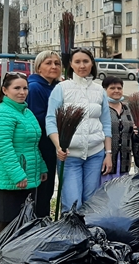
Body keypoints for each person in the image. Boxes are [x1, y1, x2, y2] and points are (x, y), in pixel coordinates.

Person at [46, 48, 112, 211]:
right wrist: (58, 145)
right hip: (69, 156)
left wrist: (108, 154)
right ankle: (70, 234)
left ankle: (87, 235)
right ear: (71, 65)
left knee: (90, 202)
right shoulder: (61, 88)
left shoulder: (99, 91)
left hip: (95, 154)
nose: (82, 65)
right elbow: (50, 120)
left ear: (92, 64)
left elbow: (106, 123)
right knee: (73, 203)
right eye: (77, 62)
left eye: (86, 61)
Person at [0, 72, 47, 239]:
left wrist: (41, 166)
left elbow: (33, 144)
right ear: (5, 90)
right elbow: (4, 148)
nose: (22, 92)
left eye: (25, 88)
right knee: (7, 223)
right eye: (17, 88)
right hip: (12, 179)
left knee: (24, 222)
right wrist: (17, 174)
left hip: (30, 176)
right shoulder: (2, 112)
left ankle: (12, 262)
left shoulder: (26, 112)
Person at [26, 50, 62, 217]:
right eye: (48, 63)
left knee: (47, 192)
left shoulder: (55, 87)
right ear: (38, 67)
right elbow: (37, 118)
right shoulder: (34, 88)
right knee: (41, 191)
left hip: (53, 145)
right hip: (42, 146)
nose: (53, 66)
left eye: (57, 63)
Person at [100, 76, 135, 185]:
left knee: (121, 190)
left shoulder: (128, 109)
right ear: (105, 90)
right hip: (106, 158)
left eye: (119, 88)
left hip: (124, 159)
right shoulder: (101, 109)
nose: (116, 91)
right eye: (112, 88)